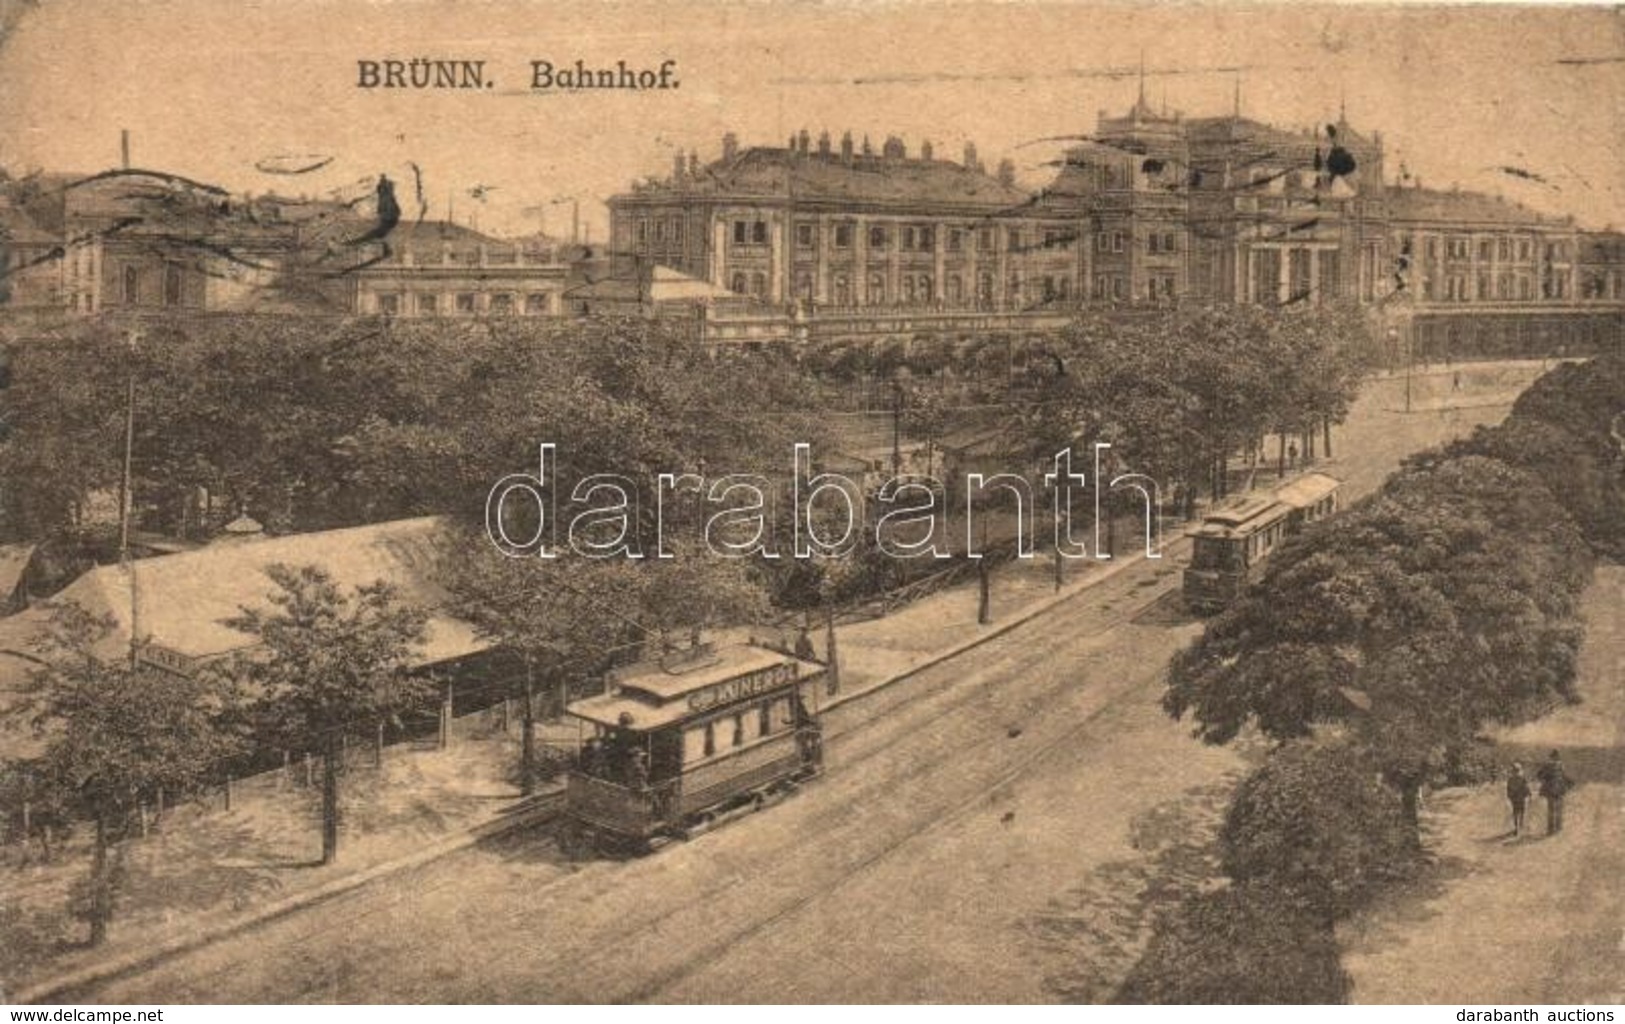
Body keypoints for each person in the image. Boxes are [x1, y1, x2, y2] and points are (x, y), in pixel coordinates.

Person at [1535, 750, 1570, 835]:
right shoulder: (1561, 765)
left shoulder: (1547, 765)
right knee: (1559, 808)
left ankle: (1551, 829)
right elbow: (1564, 776)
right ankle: (1558, 827)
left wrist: (1544, 780)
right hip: (1560, 789)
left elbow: (1539, 775)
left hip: (1550, 789)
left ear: (1551, 757)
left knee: (1551, 809)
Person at [1506, 761, 1531, 837]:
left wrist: (1510, 796)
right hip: (1521, 798)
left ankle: (1516, 828)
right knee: (1521, 812)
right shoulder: (1522, 778)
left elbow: (1508, 789)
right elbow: (1526, 788)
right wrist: (1529, 794)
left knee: (1515, 812)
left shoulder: (1510, 779)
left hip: (1514, 798)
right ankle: (1520, 826)